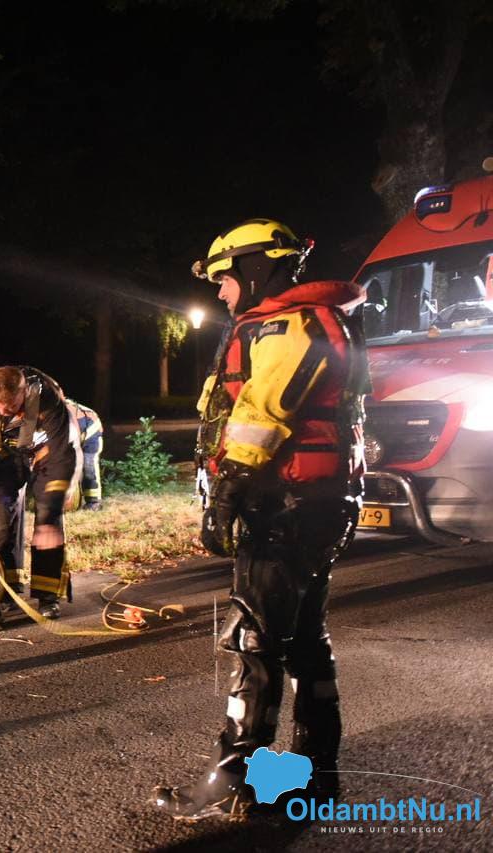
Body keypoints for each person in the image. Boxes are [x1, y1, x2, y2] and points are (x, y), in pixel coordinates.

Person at [153, 219, 369, 819]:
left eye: (224, 278)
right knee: (304, 643)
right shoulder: (309, 321)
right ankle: (313, 778)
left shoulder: (287, 326)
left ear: (253, 269)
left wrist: (227, 490)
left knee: (256, 639)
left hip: (285, 504)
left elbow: (261, 411)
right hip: (313, 501)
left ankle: (233, 782)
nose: (222, 292)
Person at [0, 365, 82, 619]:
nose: (2, 412)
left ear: (24, 393)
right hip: (1, 460)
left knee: (47, 526)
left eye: (10, 407)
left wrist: (51, 511)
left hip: (45, 457)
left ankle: (48, 596)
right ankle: (6, 593)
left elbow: (62, 455)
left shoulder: (48, 397)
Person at [66, 397, 105, 510]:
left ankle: (94, 501)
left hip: (90, 428)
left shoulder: (68, 416)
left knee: (89, 465)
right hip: (72, 431)